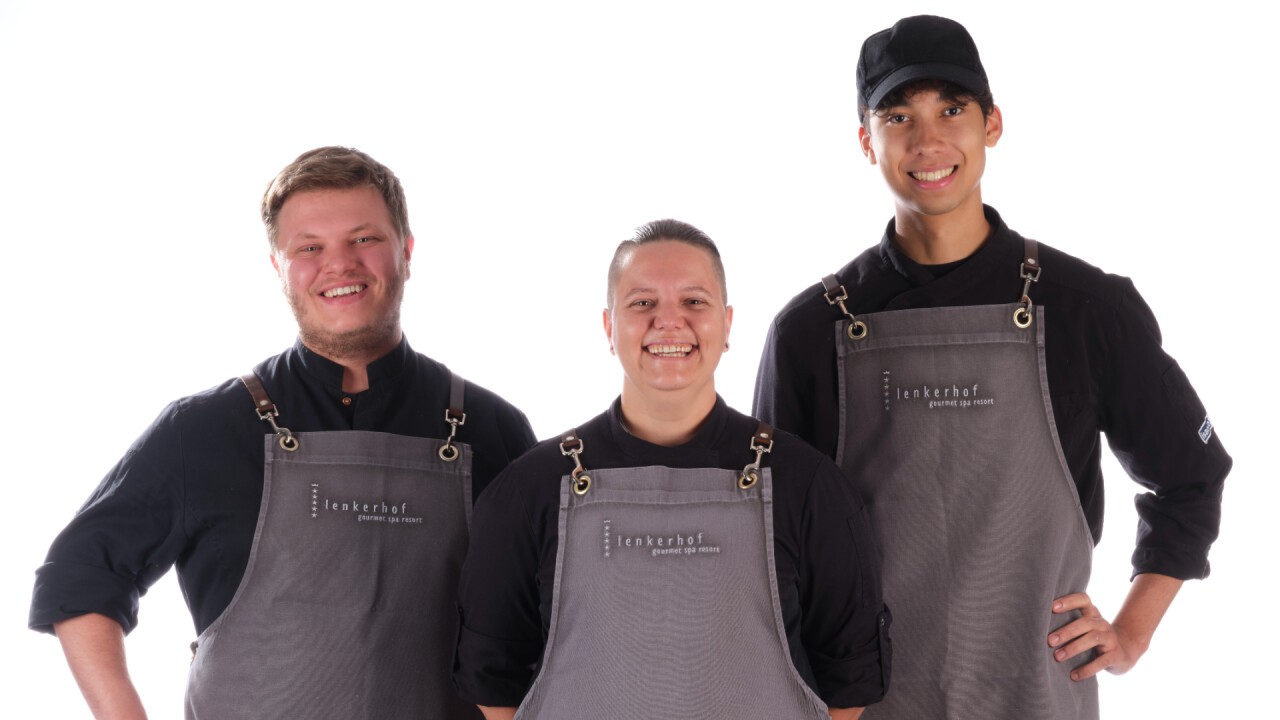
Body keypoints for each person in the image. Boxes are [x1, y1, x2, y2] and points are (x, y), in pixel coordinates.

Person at [752, 15, 1231, 720]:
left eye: (952, 109)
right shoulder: (809, 332)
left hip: (1040, 694)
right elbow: (769, 544)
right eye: (898, 116)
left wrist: (1130, 633)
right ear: (866, 140)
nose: (928, 140)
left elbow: (1192, 478)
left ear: (993, 124)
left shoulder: (1086, 308)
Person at [29, 146, 537, 720]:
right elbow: (82, 575)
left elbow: (541, 626)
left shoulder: (494, 431)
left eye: (363, 239)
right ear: (279, 266)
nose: (339, 264)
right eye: (310, 247)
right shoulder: (203, 430)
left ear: (407, 251)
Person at [452, 219, 891, 720]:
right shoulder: (527, 492)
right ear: (608, 327)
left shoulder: (808, 487)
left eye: (694, 302)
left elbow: (851, 676)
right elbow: (493, 677)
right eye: (642, 303)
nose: (669, 322)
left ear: (727, 325)